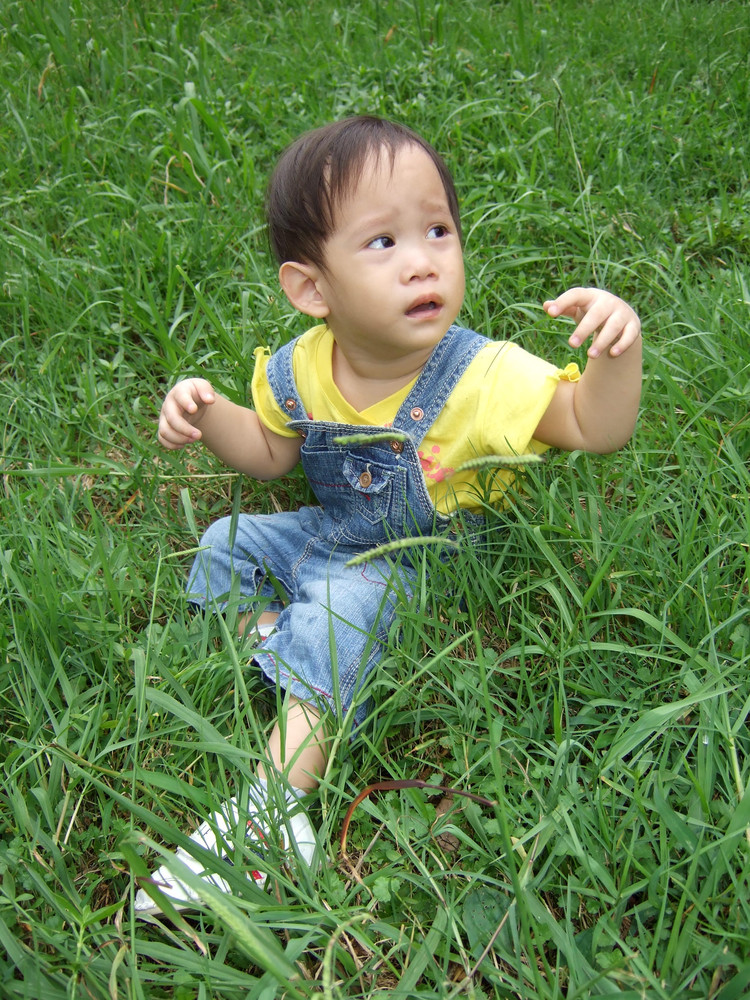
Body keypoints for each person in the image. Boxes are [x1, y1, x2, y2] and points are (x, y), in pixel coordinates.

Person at [134, 115, 641, 915]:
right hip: (333, 535)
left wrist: (616, 351)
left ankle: (268, 813)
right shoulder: (302, 367)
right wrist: (209, 414)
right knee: (224, 542)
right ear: (312, 289)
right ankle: (282, 645)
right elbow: (271, 455)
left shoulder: (485, 375)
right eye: (383, 242)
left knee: (341, 612)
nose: (422, 260)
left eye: (438, 230)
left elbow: (593, 426)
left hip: (426, 563)